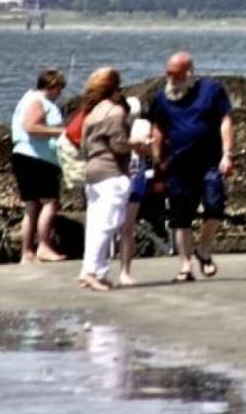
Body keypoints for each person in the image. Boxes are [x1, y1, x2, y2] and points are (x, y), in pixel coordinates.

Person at [147, 52, 235, 282]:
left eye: (175, 75)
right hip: (177, 163)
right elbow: (157, 129)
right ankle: (185, 266)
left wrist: (227, 154)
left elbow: (225, 121)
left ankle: (204, 251)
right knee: (180, 216)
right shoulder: (161, 98)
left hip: (209, 161)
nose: (171, 79)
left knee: (215, 207)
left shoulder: (211, 90)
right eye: (168, 74)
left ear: (189, 73)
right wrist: (157, 160)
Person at [74, 67, 134, 292]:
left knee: (95, 224)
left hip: (92, 171)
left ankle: (93, 271)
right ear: (115, 90)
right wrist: (136, 144)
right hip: (111, 171)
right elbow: (118, 145)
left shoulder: (91, 114)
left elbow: (82, 146)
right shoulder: (115, 112)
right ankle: (92, 272)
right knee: (108, 224)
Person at [10, 68, 70, 264]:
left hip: (26, 157)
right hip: (36, 158)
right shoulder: (38, 101)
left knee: (31, 206)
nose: (60, 93)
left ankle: (27, 252)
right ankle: (43, 245)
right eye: (59, 88)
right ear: (52, 86)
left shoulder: (28, 99)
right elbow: (31, 126)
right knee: (50, 202)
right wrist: (60, 131)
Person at [116, 96, 163, 287]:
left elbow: (148, 149)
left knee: (127, 226)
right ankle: (114, 270)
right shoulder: (114, 125)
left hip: (135, 176)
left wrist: (138, 144)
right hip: (119, 176)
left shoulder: (141, 124)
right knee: (118, 227)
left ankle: (125, 270)